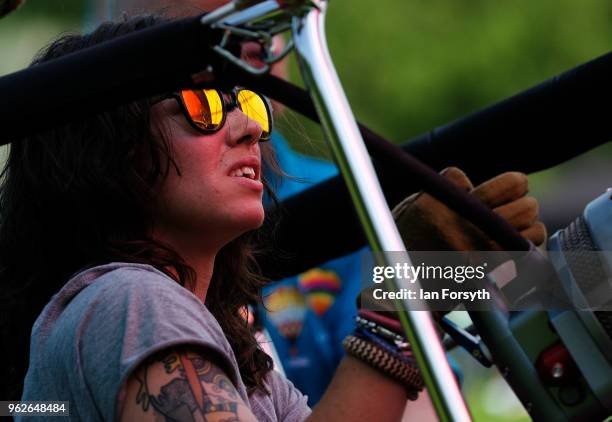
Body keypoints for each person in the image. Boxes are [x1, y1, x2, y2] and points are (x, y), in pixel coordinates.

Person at [1, 14, 547, 422]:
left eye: (249, 106)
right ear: (106, 152)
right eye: (204, 106)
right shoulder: (129, 300)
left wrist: (412, 292)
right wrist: (399, 304)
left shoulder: (240, 355)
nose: (248, 129)